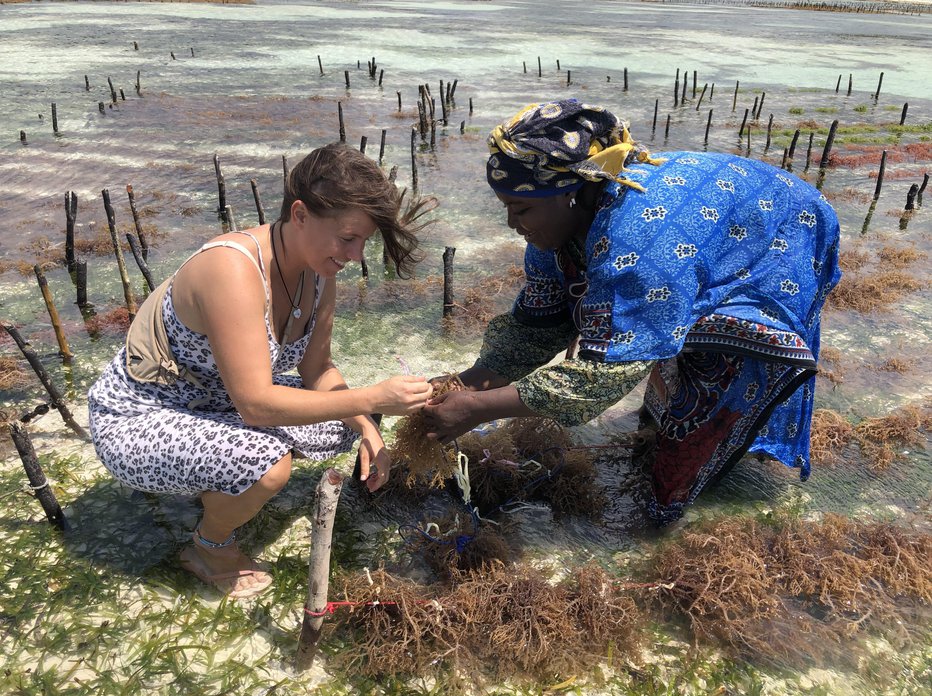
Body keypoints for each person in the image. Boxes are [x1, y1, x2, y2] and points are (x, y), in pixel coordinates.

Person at [422, 99, 840, 524]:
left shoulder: (640, 246)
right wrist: (470, 381)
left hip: (781, 229)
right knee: (652, 333)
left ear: (571, 191)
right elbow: (538, 325)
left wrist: (478, 409)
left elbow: (604, 375)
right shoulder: (552, 236)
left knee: (714, 365)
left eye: (523, 209)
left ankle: (695, 496)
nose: (513, 224)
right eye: (506, 208)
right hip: (695, 228)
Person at [88, 143, 433, 598]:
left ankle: (213, 482)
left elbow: (320, 369)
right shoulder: (231, 268)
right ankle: (207, 546)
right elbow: (254, 405)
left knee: (342, 428)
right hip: (137, 416)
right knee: (266, 464)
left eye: (362, 241)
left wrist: (369, 427)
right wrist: (371, 398)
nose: (355, 254)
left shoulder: (318, 272)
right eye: (348, 237)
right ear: (300, 214)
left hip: (213, 403)